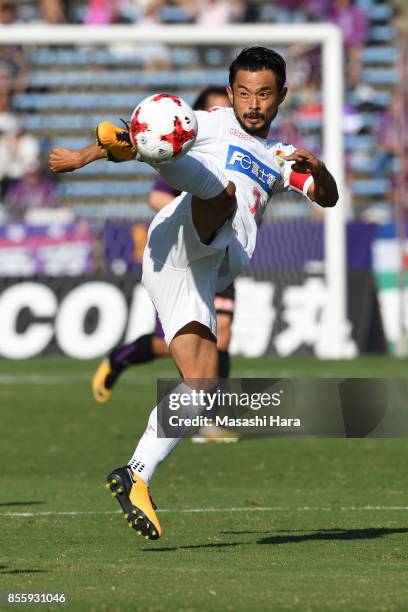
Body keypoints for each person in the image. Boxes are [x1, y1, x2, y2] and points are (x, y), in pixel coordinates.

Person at [49, 46, 338, 541]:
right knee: (217, 190)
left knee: (203, 389)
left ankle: (135, 474)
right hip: (184, 234)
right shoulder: (206, 123)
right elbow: (132, 128)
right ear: (230, 94)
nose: (253, 103)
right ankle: (157, 160)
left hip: (196, 271)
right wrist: (82, 156)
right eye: (244, 92)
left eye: (265, 94)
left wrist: (321, 167)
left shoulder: (284, 158)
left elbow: (327, 197)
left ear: (282, 96)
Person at [91, 85, 239, 442]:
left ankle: (208, 420)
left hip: (222, 254)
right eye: (215, 110)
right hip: (184, 255)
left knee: (222, 339)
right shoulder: (186, 154)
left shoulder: (239, 151)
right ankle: (123, 355)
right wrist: (194, 212)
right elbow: (156, 196)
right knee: (175, 344)